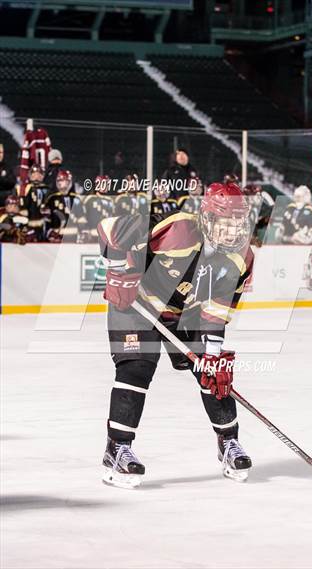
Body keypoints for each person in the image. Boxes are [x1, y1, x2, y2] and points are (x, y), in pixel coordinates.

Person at [98, 182, 254, 488]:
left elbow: (217, 310)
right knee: (136, 368)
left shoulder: (241, 258)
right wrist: (119, 271)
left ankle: (228, 442)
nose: (232, 230)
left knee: (214, 372)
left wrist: (211, 354)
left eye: (238, 222)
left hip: (183, 315)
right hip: (136, 307)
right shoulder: (180, 230)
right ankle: (117, 449)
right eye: (225, 221)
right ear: (207, 218)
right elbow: (109, 228)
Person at [44, 169, 86, 242]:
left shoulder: (76, 199)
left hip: (73, 238)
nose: (62, 183)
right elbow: (47, 220)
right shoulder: (52, 199)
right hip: (56, 238)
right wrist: (50, 233)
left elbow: (81, 219)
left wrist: (83, 233)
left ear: (69, 182)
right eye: (60, 181)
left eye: (64, 181)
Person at [16, 163, 50, 241]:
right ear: (30, 175)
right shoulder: (25, 189)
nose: (36, 176)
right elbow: (22, 209)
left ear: (42, 175)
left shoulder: (48, 190)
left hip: (43, 226)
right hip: (28, 225)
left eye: (39, 174)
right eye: (34, 174)